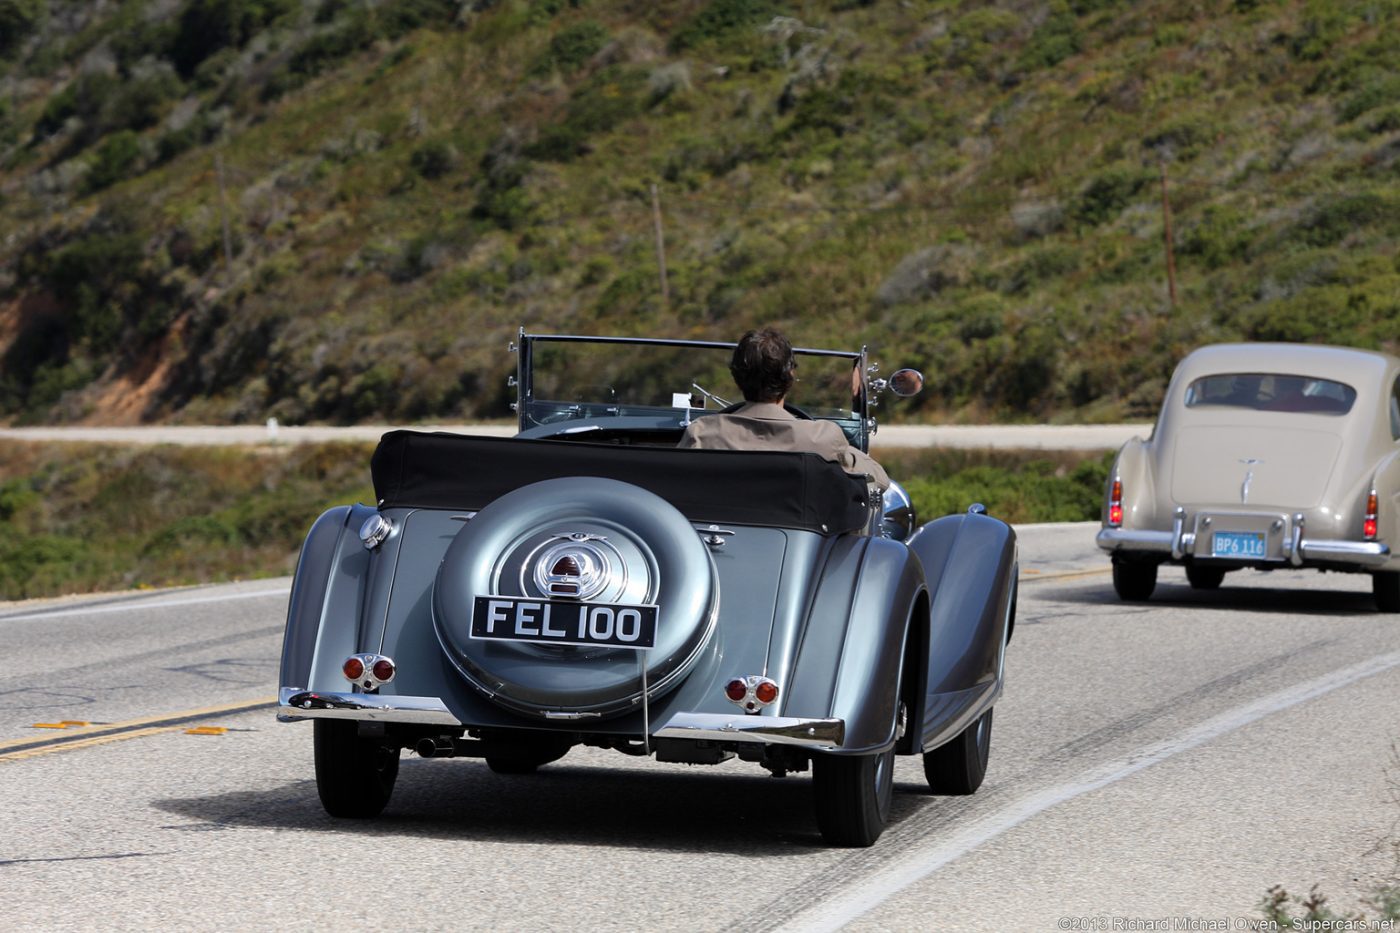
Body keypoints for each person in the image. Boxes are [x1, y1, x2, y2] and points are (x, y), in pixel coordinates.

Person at [677, 327, 890, 490]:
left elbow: (677, 484)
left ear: (737, 379)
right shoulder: (823, 438)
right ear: (790, 377)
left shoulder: (702, 433)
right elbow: (879, 480)